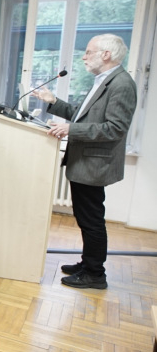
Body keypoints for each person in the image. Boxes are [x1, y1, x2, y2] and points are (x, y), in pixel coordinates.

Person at [33, 34, 137, 290]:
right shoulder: (102, 81)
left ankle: (95, 274)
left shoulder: (121, 84)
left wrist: (71, 130)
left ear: (106, 54)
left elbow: (115, 129)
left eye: (89, 52)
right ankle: (88, 263)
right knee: (86, 218)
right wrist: (53, 102)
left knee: (91, 221)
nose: (84, 57)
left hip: (94, 165)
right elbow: (82, 116)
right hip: (85, 162)